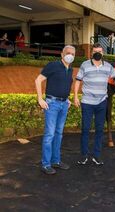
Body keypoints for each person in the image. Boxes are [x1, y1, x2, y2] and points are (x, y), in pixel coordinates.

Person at [74, 43, 115, 165]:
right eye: (95, 51)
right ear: (92, 53)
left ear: (103, 53)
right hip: (87, 103)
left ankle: (96, 156)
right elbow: (78, 80)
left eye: (99, 51)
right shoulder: (85, 65)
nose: (97, 53)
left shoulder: (108, 66)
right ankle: (84, 156)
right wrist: (75, 96)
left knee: (99, 130)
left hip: (101, 103)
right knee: (85, 129)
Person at [35, 45, 76, 175]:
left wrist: (67, 99)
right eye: (68, 53)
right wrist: (40, 99)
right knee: (50, 134)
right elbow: (38, 80)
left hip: (64, 104)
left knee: (59, 134)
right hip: (52, 104)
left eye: (73, 54)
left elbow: (65, 85)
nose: (70, 55)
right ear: (62, 54)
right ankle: (45, 164)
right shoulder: (52, 65)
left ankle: (56, 161)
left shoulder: (70, 69)